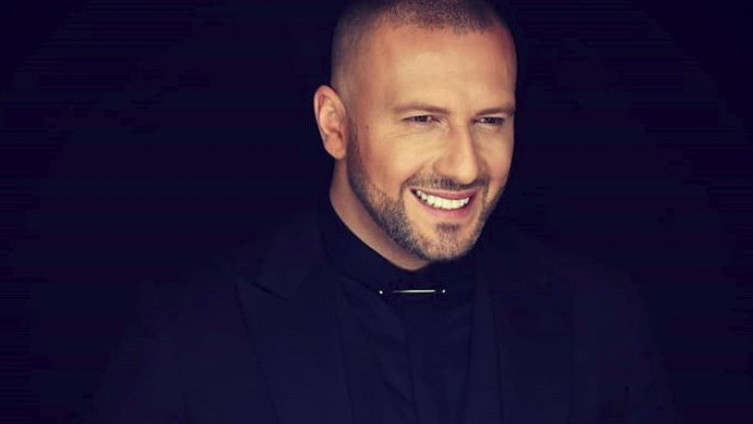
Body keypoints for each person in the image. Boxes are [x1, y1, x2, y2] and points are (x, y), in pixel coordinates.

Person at [86, 0, 673, 423]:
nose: (466, 167)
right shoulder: (188, 338)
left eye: (490, 120)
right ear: (334, 125)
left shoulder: (600, 315)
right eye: (423, 120)